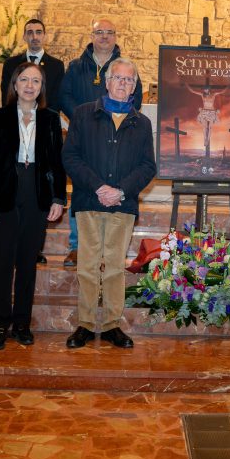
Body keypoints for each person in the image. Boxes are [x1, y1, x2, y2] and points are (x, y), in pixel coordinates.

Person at [62, 58, 155, 350]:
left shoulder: (141, 123)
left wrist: (121, 191)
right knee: (88, 265)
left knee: (114, 267)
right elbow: (70, 157)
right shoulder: (83, 114)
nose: (122, 84)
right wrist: (99, 186)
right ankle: (86, 324)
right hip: (90, 201)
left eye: (129, 80)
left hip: (122, 205)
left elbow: (147, 166)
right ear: (107, 81)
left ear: (134, 87)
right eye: (118, 78)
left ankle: (114, 324)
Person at [0, 62, 66, 351]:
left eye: (36, 81)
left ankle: (22, 324)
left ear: (42, 88)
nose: (30, 86)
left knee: (27, 263)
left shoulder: (51, 119)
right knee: (2, 262)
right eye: (24, 80)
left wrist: (58, 198)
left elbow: (56, 162)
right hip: (4, 193)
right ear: (14, 85)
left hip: (36, 193)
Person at [56, 19, 142, 268]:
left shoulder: (126, 68)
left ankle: (110, 251)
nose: (104, 37)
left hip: (117, 133)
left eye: (109, 32)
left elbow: (135, 100)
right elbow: (64, 96)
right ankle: (76, 247)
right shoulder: (76, 66)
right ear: (92, 35)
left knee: (112, 188)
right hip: (85, 136)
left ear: (116, 36)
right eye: (99, 32)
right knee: (82, 187)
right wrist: (84, 117)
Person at [0, 17, 65, 112]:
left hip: (45, 121)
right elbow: (7, 96)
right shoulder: (10, 64)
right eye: (30, 32)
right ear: (24, 37)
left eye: (38, 32)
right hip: (16, 120)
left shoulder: (56, 66)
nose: (35, 37)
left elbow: (57, 99)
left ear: (44, 36)